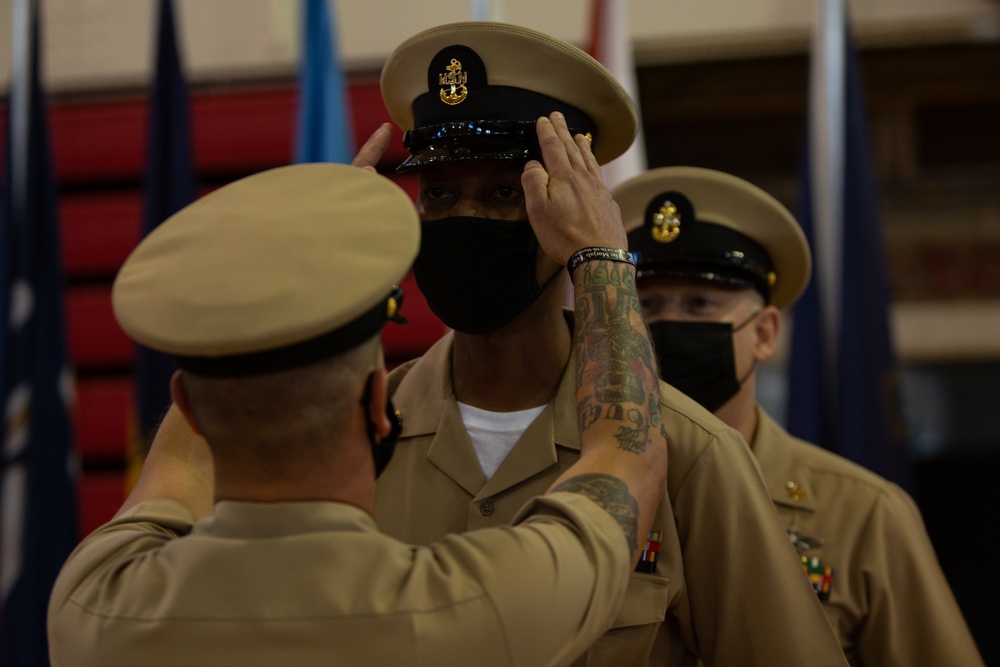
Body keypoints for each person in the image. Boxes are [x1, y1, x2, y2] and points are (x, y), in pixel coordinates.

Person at [46, 158, 672, 667]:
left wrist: (284, 272)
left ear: (187, 405)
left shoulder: (96, 601)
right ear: (379, 402)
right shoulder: (476, 607)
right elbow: (625, 448)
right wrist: (602, 258)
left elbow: (174, 475)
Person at [371, 21, 848, 666]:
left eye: (507, 193)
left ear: (576, 207)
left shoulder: (688, 451)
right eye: (441, 194)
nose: (467, 221)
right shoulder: (363, 438)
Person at [615, 165, 985, 667]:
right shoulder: (588, 490)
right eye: (649, 306)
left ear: (765, 334)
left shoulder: (864, 514)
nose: (668, 325)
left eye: (700, 303)